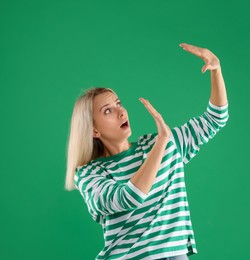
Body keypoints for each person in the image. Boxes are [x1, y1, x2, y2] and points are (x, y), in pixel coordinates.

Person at [65, 43, 229, 260]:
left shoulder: (162, 144)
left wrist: (216, 71)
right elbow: (129, 197)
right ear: (94, 130)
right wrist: (162, 142)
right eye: (108, 111)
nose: (121, 111)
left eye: (118, 103)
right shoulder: (89, 176)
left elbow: (215, 119)